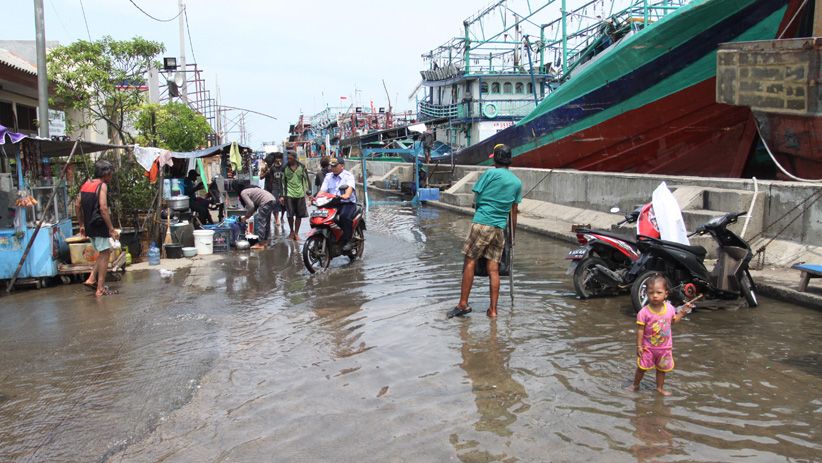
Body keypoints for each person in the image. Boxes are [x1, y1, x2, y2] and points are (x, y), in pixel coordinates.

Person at [448, 144, 521, 319]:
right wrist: (513, 237)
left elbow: (477, 199)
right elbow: (514, 211)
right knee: (494, 269)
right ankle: (493, 311)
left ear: (495, 159)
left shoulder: (489, 174)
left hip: (482, 222)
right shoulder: (517, 182)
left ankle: (463, 304)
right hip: (500, 228)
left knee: (470, 261)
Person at [628, 274, 695, 396]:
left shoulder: (669, 308)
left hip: (664, 348)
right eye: (651, 293)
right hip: (648, 348)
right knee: (642, 368)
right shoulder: (644, 312)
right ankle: (635, 384)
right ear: (646, 294)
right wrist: (639, 346)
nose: (654, 296)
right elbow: (640, 330)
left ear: (666, 294)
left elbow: (673, 321)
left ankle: (659, 388)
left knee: (661, 370)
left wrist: (682, 311)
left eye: (659, 292)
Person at [76, 160, 120, 297]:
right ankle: (100, 288)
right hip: (99, 224)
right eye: (111, 173)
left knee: (102, 252)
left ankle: (91, 279)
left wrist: (81, 224)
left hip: (89, 225)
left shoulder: (86, 184)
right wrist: (111, 229)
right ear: (106, 173)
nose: (111, 176)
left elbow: (77, 205)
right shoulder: (102, 186)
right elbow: (103, 208)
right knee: (105, 253)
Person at [319, 157, 357, 252]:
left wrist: (346, 195)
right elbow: (322, 190)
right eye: (331, 166)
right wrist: (315, 198)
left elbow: (349, 188)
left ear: (342, 166)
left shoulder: (348, 176)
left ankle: (348, 240)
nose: (332, 168)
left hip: (347, 203)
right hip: (332, 203)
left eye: (335, 166)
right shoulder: (328, 176)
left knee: (344, 217)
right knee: (321, 216)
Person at [281, 152, 312, 240]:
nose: (289, 160)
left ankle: (296, 233)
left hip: (300, 194)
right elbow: (282, 182)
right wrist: (282, 195)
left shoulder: (302, 167)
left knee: (299, 215)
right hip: (289, 194)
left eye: (291, 158)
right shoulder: (285, 168)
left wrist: (309, 193)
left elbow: (307, 180)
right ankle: (291, 231)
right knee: (290, 215)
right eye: (288, 158)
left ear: (295, 158)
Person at [238, 185, 277, 250]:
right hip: (272, 199)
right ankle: (265, 241)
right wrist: (248, 216)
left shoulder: (243, 193)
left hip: (265, 201)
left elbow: (251, 206)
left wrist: (246, 216)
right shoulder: (253, 191)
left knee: (261, 222)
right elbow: (254, 208)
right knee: (266, 222)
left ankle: (260, 244)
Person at [260, 153, 285, 227]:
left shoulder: (278, 166)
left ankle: (279, 218)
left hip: (276, 187)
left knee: (277, 203)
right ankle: (271, 218)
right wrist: (266, 173)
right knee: (269, 203)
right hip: (268, 187)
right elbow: (261, 177)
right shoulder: (265, 167)